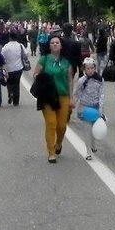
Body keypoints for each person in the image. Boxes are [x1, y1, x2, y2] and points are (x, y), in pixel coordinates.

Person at [31, 34, 72, 162]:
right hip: (48, 96)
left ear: (61, 46)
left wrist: (71, 98)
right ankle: (51, 152)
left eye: (57, 43)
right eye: (52, 43)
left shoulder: (67, 62)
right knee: (51, 123)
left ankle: (59, 143)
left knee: (62, 125)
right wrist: (41, 79)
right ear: (49, 46)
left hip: (63, 95)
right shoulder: (44, 59)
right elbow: (35, 74)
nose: (55, 44)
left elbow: (70, 80)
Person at [71, 57, 105, 160]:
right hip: (85, 107)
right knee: (87, 129)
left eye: (92, 68)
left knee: (95, 129)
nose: (90, 70)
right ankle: (88, 151)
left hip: (95, 107)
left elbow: (102, 95)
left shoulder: (100, 80)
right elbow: (77, 93)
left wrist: (101, 109)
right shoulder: (82, 80)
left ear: (95, 68)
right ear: (84, 69)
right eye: (88, 68)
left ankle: (93, 144)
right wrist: (73, 102)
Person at [1, 32, 29, 106]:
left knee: (9, 82)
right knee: (16, 84)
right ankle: (16, 101)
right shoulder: (20, 45)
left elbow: (2, 56)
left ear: (10, 37)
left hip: (9, 68)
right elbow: (26, 54)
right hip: (18, 68)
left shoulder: (6, 46)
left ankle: (10, 93)